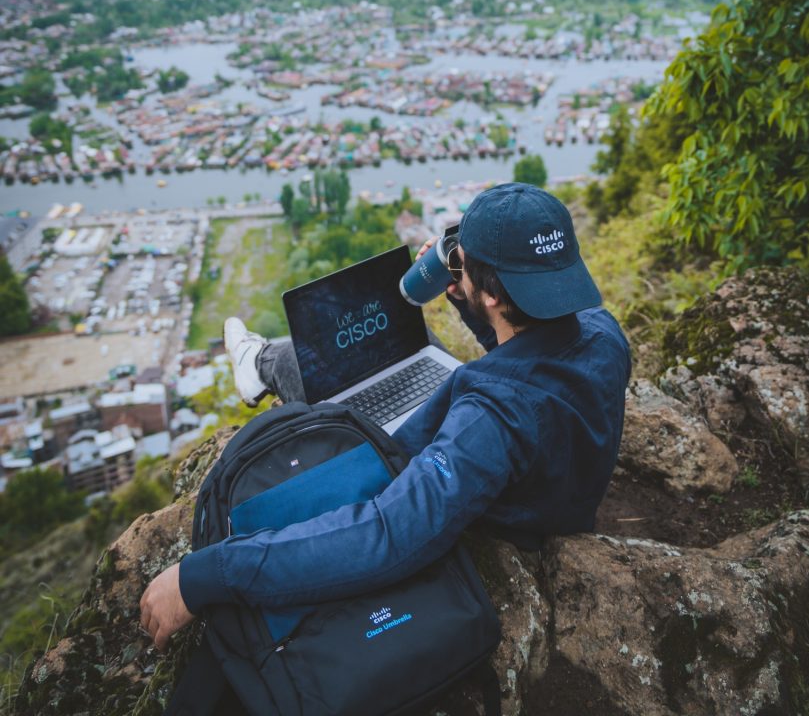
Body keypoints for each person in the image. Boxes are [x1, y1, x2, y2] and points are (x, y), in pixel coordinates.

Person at [141, 183, 631, 650]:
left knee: (323, 364)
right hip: (540, 468)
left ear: (494, 294)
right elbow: (530, 354)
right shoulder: (601, 333)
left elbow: (389, 534)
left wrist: (209, 574)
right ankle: (262, 360)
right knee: (408, 350)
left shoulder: (491, 419)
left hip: (467, 480)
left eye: (464, 267)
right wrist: (472, 302)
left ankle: (258, 363)